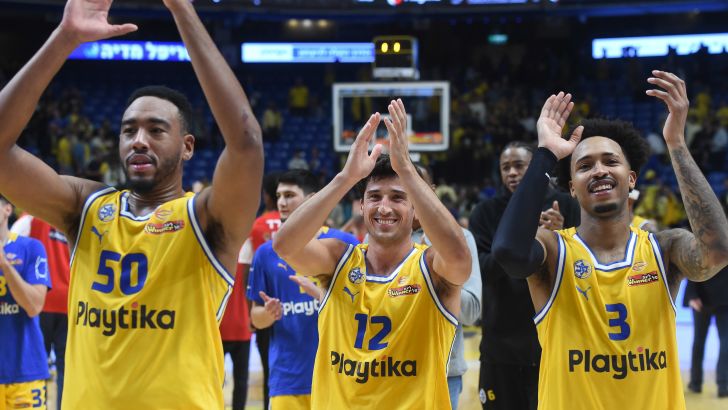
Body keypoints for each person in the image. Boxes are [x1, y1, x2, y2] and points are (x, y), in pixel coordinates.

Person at [0, 0, 263, 408]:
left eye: (156, 130)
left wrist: (182, 9)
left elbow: (246, 144)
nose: (139, 140)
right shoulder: (85, 205)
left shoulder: (207, 219)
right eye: (129, 131)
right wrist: (64, 38)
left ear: (187, 146)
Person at [492, 72, 728, 409]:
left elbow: (719, 251)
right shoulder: (554, 251)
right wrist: (545, 154)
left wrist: (676, 143)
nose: (600, 170)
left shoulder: (663, 248)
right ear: (572, 187)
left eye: (611, 161)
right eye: (585, 165)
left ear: (631, 179)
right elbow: (508, 252)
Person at [273, 100, 471, 409]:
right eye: (375, 197)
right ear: (362, 206)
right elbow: (285, 245)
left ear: (416, 211)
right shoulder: (338, 257)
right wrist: (346, 177)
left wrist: (408, 172)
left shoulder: (431, 266)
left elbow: (460, 258)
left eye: (398, 198)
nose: (384, 207)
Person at [468, 141, 580, 410]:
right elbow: (482, 270)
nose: (512, 173)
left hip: (555, 345)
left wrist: (558, 238)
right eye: (505, 167)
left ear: (536, 169)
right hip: (500, 345)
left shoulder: (567, 205)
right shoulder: (484, 212)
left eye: (519, 166)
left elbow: (582, 270)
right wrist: (519, 241)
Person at [247, 169, 359, 409]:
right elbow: (255, 319)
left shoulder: (346, 245)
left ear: (311, 200)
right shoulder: (266, 253)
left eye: (289, 195)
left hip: (339, 376)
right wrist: (269, 313)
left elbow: (362, 309)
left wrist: (322, 296)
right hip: (288, 380)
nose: (281, 202)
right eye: (279, 196)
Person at [412, 163, 482, 410]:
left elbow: (472, 312)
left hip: (443, 371)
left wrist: (438, 274)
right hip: (387, 368)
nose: (410, 193)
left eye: (415, 185)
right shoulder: (377, 239)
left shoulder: (459, 239)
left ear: (431, 190)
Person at [10, 214, 70, 409]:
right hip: (68, 301)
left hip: (40, 299)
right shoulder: (68, 219)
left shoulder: (30, 218)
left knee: (36, 365)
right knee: (65, 368)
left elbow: (9, 247)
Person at [0, 196, 51, 410]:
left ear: (7, 209)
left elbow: (34, 306)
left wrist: (4, 265)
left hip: (24, 371)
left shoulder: (31, 247)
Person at [248, 171, 282, 410]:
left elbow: (247, 268)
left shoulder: (256, 226)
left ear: (267, 196)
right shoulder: (301, 223)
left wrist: (249, 313)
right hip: (297, 302)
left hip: (264, 302)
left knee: (269, 369)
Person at [683, 266, 728, 398]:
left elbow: (695, 264)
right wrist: (692, 295)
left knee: (702, 342)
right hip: (707, 298)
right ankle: (721, 385)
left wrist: (692, 294)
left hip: (707, 297)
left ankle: (697, 383)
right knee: (721, 342)